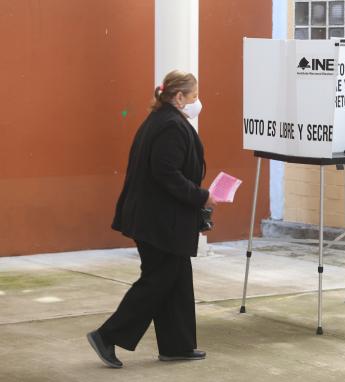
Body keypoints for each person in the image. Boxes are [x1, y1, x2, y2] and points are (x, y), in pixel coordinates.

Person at [87, 70, 216, 368]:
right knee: (158, 281)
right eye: (194, 96)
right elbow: (166, 174)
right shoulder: (170, 126)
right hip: (158, 222)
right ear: (178, 96)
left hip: (159, 220)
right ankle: (107, 336)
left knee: (177, 279)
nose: (198, 102)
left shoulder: (164, 121)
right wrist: (201, 196)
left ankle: (177, 345)